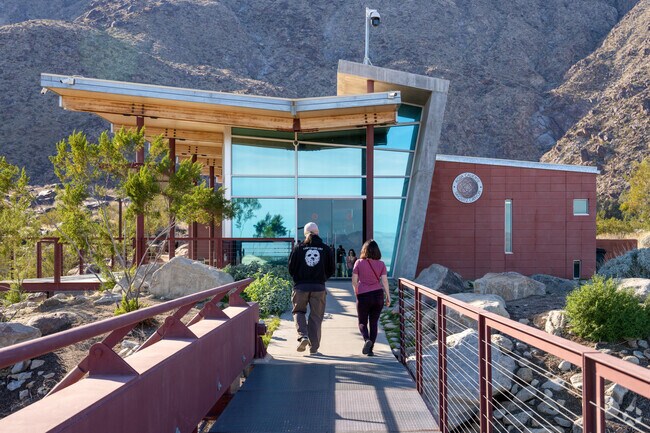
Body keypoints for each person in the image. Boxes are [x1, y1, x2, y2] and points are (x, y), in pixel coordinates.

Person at [288, 222, 335, 354]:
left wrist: (299, 279)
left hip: (301, 286)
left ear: (305, 234)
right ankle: (313, 348)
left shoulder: (298, 248)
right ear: (318, 232)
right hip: (318, 287)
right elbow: (331, 269)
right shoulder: (326, 249)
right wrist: (321, 279)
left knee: (298, 311)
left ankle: (303, 335)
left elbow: (291, 268)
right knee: (316, 317)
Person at [351, 239, 390, 356]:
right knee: (374, 323)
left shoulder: (358, 263)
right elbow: (384, 281)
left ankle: (366, 339)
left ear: (364, 250)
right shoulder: (381, 264)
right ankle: (371, 349)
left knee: (362, 322)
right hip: (378, 295)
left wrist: (356, 292)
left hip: (363, 295)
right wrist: (388, 296)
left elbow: (354, 280)